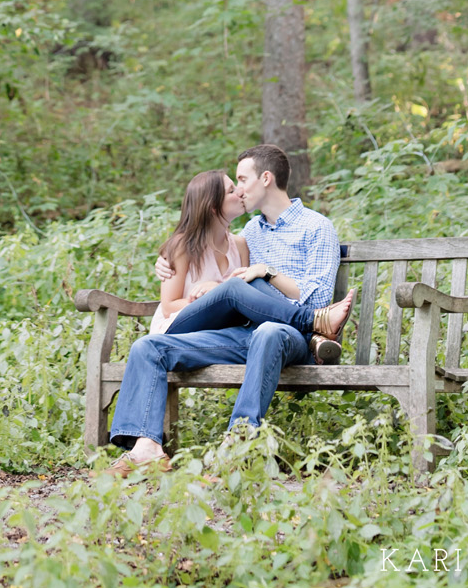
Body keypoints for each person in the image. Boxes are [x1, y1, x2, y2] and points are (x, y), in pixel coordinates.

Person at [107, 144, 354, 472]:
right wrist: (165, 259)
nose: (238, 189)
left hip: (290, 337)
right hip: (243, 333)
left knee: (263, 322)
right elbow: (201, 239)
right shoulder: (251, 231)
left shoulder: (317, 227)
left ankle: (238, 441)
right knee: (147, 347)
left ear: (265, 179)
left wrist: (266, 271)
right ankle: (146, 447)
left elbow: (320, 297)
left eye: (241, 179)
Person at [150, 170, 250, 335]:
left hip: (223, 335)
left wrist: (219, 292)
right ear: (212, 206)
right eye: (231, 191)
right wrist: (217, 297)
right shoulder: (182, 246)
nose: (240, 192)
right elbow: (169, 307)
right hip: (178, 334)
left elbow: (243, 300)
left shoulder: (240, 245)